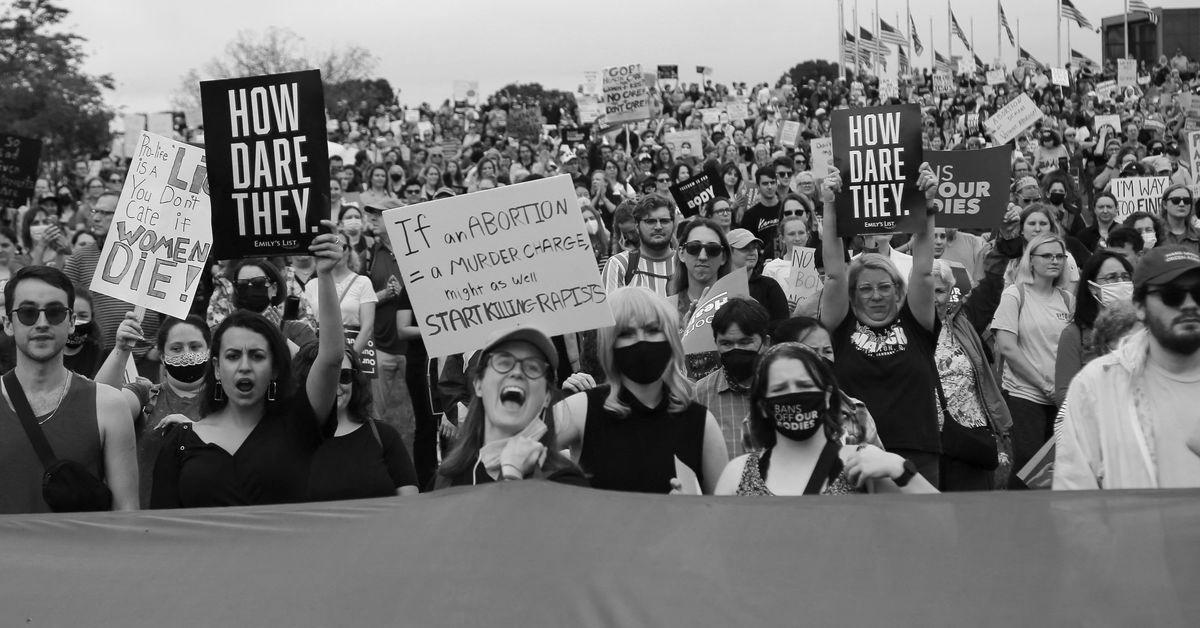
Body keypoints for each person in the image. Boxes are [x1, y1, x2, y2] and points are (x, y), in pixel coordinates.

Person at [150, 223, 345, 508]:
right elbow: (161, 530)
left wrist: (325, 274)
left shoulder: (298, 425)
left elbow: (330, 359)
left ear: (276, 368)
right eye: (232, 356)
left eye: (257, 355)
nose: (244, 366)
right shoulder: (181, 442)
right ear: (216, 368)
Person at [819, 166, 944, 487]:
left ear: (897, 289)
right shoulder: (841, 324)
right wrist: (830, 204)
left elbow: (924, 272)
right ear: (853, 293)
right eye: (865, 288)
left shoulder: (916, 322)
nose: (876, 295)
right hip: (853, 452)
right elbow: (834, 273)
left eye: (884, 287)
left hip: (916, 452)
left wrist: (926, 207)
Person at [554, 286, 728, 494]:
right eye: (626, 333)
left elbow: (725, 512)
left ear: (670, 338)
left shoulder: (700, 422)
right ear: (609, 344)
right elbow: (515, 458)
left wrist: (693, 509)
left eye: (653, 330)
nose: (641, 341)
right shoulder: (580, 409)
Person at [1056, 246, 1200, 489]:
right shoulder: (1098, 384)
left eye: (1199, 293)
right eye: (1171, 295)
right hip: (1136, 527)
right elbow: (1074, 493)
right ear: (1140, 307)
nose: (1189, 305)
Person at [713, 343, 937, 496]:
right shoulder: (737, 474)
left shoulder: (863, 464)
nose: (794, 395)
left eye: (804, 385)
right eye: (780, 389)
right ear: (762, 406)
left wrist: (901, 470)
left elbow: (945, 526)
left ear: (828, 396)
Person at [0, 266, 137, 513]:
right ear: (8, 323)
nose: (42, 323)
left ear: (72, 321)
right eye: (28, 313)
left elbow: (126, 513)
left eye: (54, 312)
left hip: (82, 550)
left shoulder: (109, 406)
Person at [435, 327, 588, 488]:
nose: (516, 373)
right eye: (503, 363)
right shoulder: (447, 480)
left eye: (532, 367)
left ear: (547, 396)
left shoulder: (568, 482)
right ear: (478, 385)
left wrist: (511, 474)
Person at [989, 233, 1074, 486]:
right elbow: (1007, 347)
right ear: (1031, 260)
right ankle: (1019, 520)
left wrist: (1060, 391)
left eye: (1059, 256)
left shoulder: (1068, 300)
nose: (1054, 260)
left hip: (1061, 398)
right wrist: (1044, 385)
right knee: (1029, 466)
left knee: (1058, 468)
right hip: (1025, 395)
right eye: (1047, 255)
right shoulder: (1015, 294)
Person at [301, 344, 419, 499]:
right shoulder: (290, 442)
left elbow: (410, 504)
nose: (335, 386)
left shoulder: (384, 436)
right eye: (325, 376)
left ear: (355, 380)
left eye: (344, 376)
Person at [1053, 251, 1135, 407]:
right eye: (1111, 278)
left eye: (1125, 277)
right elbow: (1064, 395)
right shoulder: (1073, 334)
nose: (1120, 282)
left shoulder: (1142, 328)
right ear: (1092, 288)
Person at [693, 298, 769, 457]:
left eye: (745, 342)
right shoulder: (700, 394)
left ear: (766, 342)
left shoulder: (784, 388)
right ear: (716, 344)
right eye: (726, 344)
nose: (736, 349)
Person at [304, 231, 375, 357]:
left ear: (350, 251)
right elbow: (307, 323)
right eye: (331, 246)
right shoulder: (311, 285)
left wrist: (349, 358)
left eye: (343, 246)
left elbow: (367, 328)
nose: (338, 250)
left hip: (354, 352)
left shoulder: (363, 282)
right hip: (318, 353)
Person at [601, 194, 677, 299]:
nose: (658, 227)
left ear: (673, 224)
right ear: (637, 226)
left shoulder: (685, 262)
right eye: (650, 221)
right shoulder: (619, 264)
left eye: (664, 221)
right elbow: (611, 313)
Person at [727, 228, 788, 321]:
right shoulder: (716, 284)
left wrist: (757, 311)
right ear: (728, 252)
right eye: (745, 248)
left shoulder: (769, 286)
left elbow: (782, 326)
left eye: (755, 247)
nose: (752, 252)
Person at [60, 288, 100, 378]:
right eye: (70, 314)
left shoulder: (100, 355)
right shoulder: (47, 350)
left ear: (92, 317)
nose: (75, 321)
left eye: (82, 316)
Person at [740, 167, 782, 245]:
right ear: (758, 186)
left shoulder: (786, 208)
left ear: (777, 184)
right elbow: (747, 244)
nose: (769, 187)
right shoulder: (750, 215)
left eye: (772, 182)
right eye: (765, 183)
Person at [1158, 184, 1198, 254]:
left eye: (1186, 200)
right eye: (1176, 200)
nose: (1182, 204)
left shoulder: (1197, 235)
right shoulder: (1156, 235)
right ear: (1165, 204)